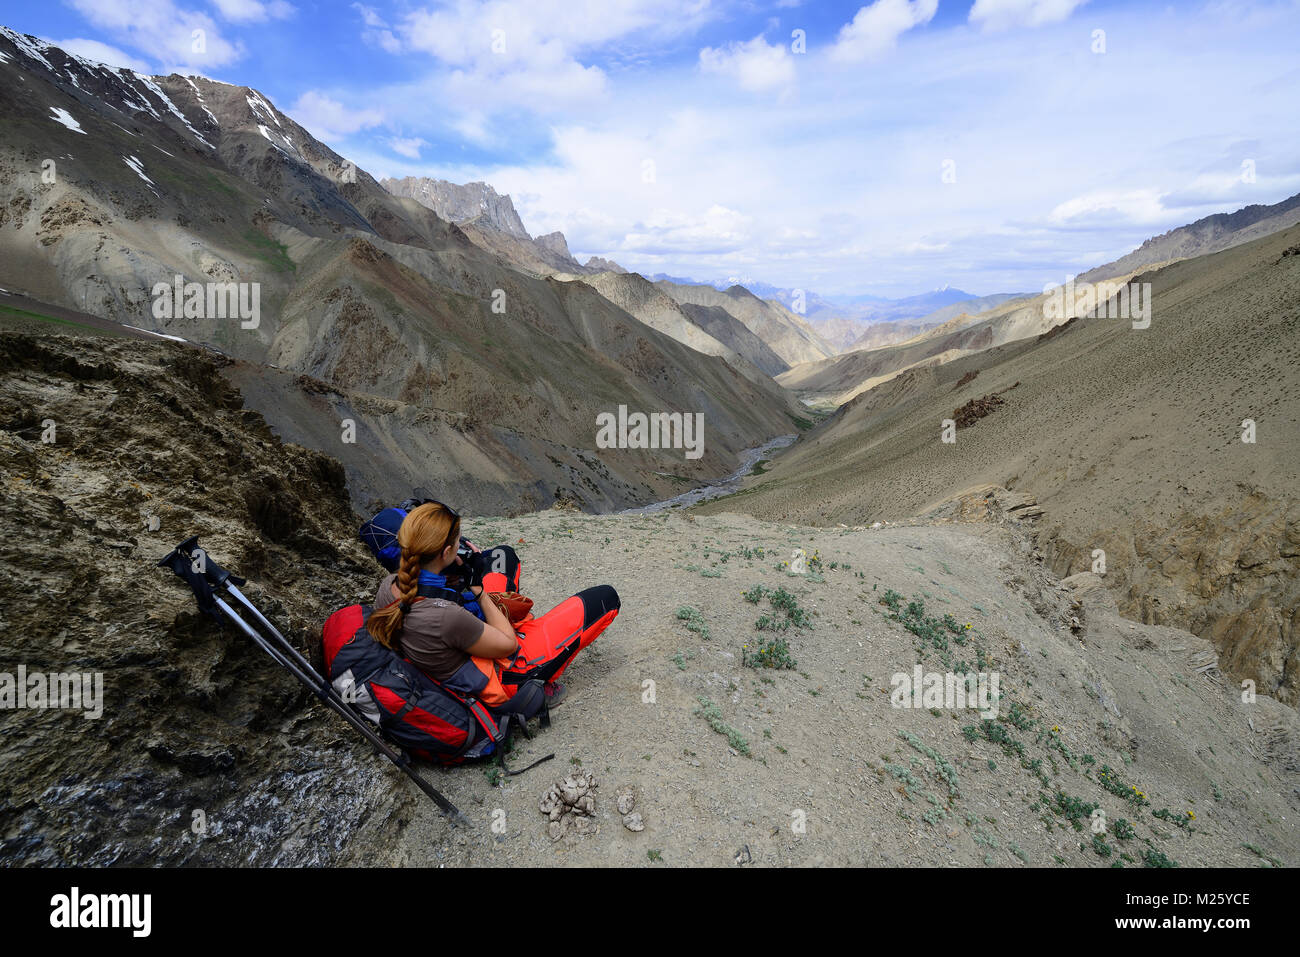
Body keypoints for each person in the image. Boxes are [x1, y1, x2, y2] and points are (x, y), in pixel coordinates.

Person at [365, 502, 619, 711]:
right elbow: (509, 644)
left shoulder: (390, 585)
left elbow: (440, 608)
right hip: (501, 676)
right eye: (457, 542)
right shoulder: (445, 616)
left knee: (502, 555)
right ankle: (535, 679)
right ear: (445, 553)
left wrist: (453, 579)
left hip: (460, 643)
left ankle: (528, 626)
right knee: (605, 598)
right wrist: (478, 590)